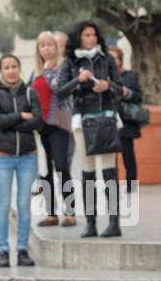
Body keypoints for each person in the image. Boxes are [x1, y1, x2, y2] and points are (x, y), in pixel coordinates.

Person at [55, 20, 125, 239]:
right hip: (82, 122)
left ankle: (114, 223)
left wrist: (108, 86)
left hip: (105, 119)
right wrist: (78, 79)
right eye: (86, 35)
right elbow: (61, 92)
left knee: (109, 171)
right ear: (79, 37)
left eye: (94, 34)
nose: (91, 38)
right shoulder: (70, 61)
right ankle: (91, 223)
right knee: (87, 172)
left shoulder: (107, 59)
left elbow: (120, 89)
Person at [0, 53, 44, 267]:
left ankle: (22, 249)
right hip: (2, 157)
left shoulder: (30, 92)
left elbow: (38, 121)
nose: (11, 70)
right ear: (1, 70)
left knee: (24, 205)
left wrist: (11, 122)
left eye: (14, 66)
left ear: (19, 68)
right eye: (7, 67)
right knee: (2, 205)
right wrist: (21, 116)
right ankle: (3, 249)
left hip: (28, 156)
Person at [32, 31, 73, 227]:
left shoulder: (62, 67)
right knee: (45, 170)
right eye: (43, 45)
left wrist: (48, 71)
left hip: (59, 124)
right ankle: (51, 214)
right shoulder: (36, 71)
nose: (46, 48)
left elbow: (60, 89)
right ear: (38, 49)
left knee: (62, 166)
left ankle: (70, 212)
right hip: (41, 126)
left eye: (50, 45)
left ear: (56, 48)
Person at [109, 45, 143, 209]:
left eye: (115, 57)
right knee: (111, 157)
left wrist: (126, 92)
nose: (112, 61)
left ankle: (131, 186)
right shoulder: (103, 77)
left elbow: (138, 97)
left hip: (126, 122)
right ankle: (112, 186)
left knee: (128, 156)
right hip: (109, 122)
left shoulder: (128, 76)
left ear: (120, 59)